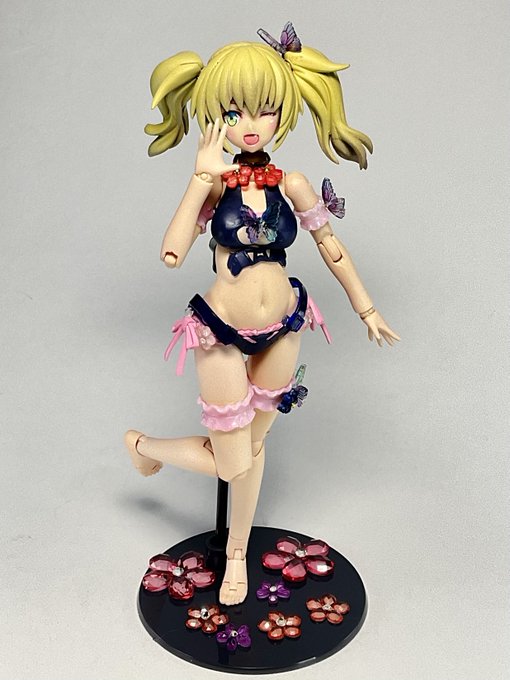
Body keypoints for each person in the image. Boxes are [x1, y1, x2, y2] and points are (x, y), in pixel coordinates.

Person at [125, 25, 400, 606]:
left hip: (284, 326)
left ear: (285, 111)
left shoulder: (292, 184)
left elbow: (331, 247)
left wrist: (367, 307)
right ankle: (144, 446)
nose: (250, 124)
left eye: (265, 110)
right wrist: (200, 177)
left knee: (250, 451)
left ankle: (236, 555)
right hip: (222, 331)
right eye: (233, 111)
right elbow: (172, 253)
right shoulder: (217, 185)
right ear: (215, 115)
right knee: (232, 460)